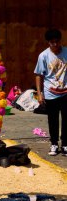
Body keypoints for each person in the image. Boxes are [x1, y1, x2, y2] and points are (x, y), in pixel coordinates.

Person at [34, 28, 67, 156]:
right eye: (52, 42)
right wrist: (39, 93)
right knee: (52, 120)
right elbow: (38, 74)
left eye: (57, 41)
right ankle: (54, 143)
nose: (55, 44)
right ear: (48, 42)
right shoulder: (43, 55)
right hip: (50, 93)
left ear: (60, 41)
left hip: (65, 92)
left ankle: (65, 144)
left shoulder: (66, 52)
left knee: (66, 120)